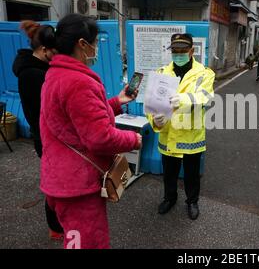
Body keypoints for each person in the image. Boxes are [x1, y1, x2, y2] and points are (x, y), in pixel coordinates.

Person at [40, 13, 142, 249]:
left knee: (75, 240)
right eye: (95, 43)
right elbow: (100, 137)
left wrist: (117, 101)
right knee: (88, 243)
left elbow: (76, 120)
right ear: (82, 45)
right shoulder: (79, 82)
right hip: (77, 187)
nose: (96, 48)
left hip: (61, 178)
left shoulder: (56, 74)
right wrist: (133, 139)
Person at [146, 33, 215, 220]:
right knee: (169, 172)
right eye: (174, 51)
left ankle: (192, 201)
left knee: (192, 174)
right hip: (168, 133)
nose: (178, 54)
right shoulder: (161, 73)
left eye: (182, 51)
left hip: (190, 135)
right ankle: (169, 198)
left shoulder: (205, 73)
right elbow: (151, 103)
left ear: (192, 51)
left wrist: (182, 99)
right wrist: (154, 120)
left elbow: (206, 97)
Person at [12, 20, 64, 240]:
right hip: (46, 138)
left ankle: (58, 224)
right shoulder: (33, 75)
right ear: (43, 50)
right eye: (55, 52)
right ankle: (56, 227)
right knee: (56, 184)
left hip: (49, 136)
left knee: (59, 181)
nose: (58, 56)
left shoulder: (40, 69)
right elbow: (43, 112)